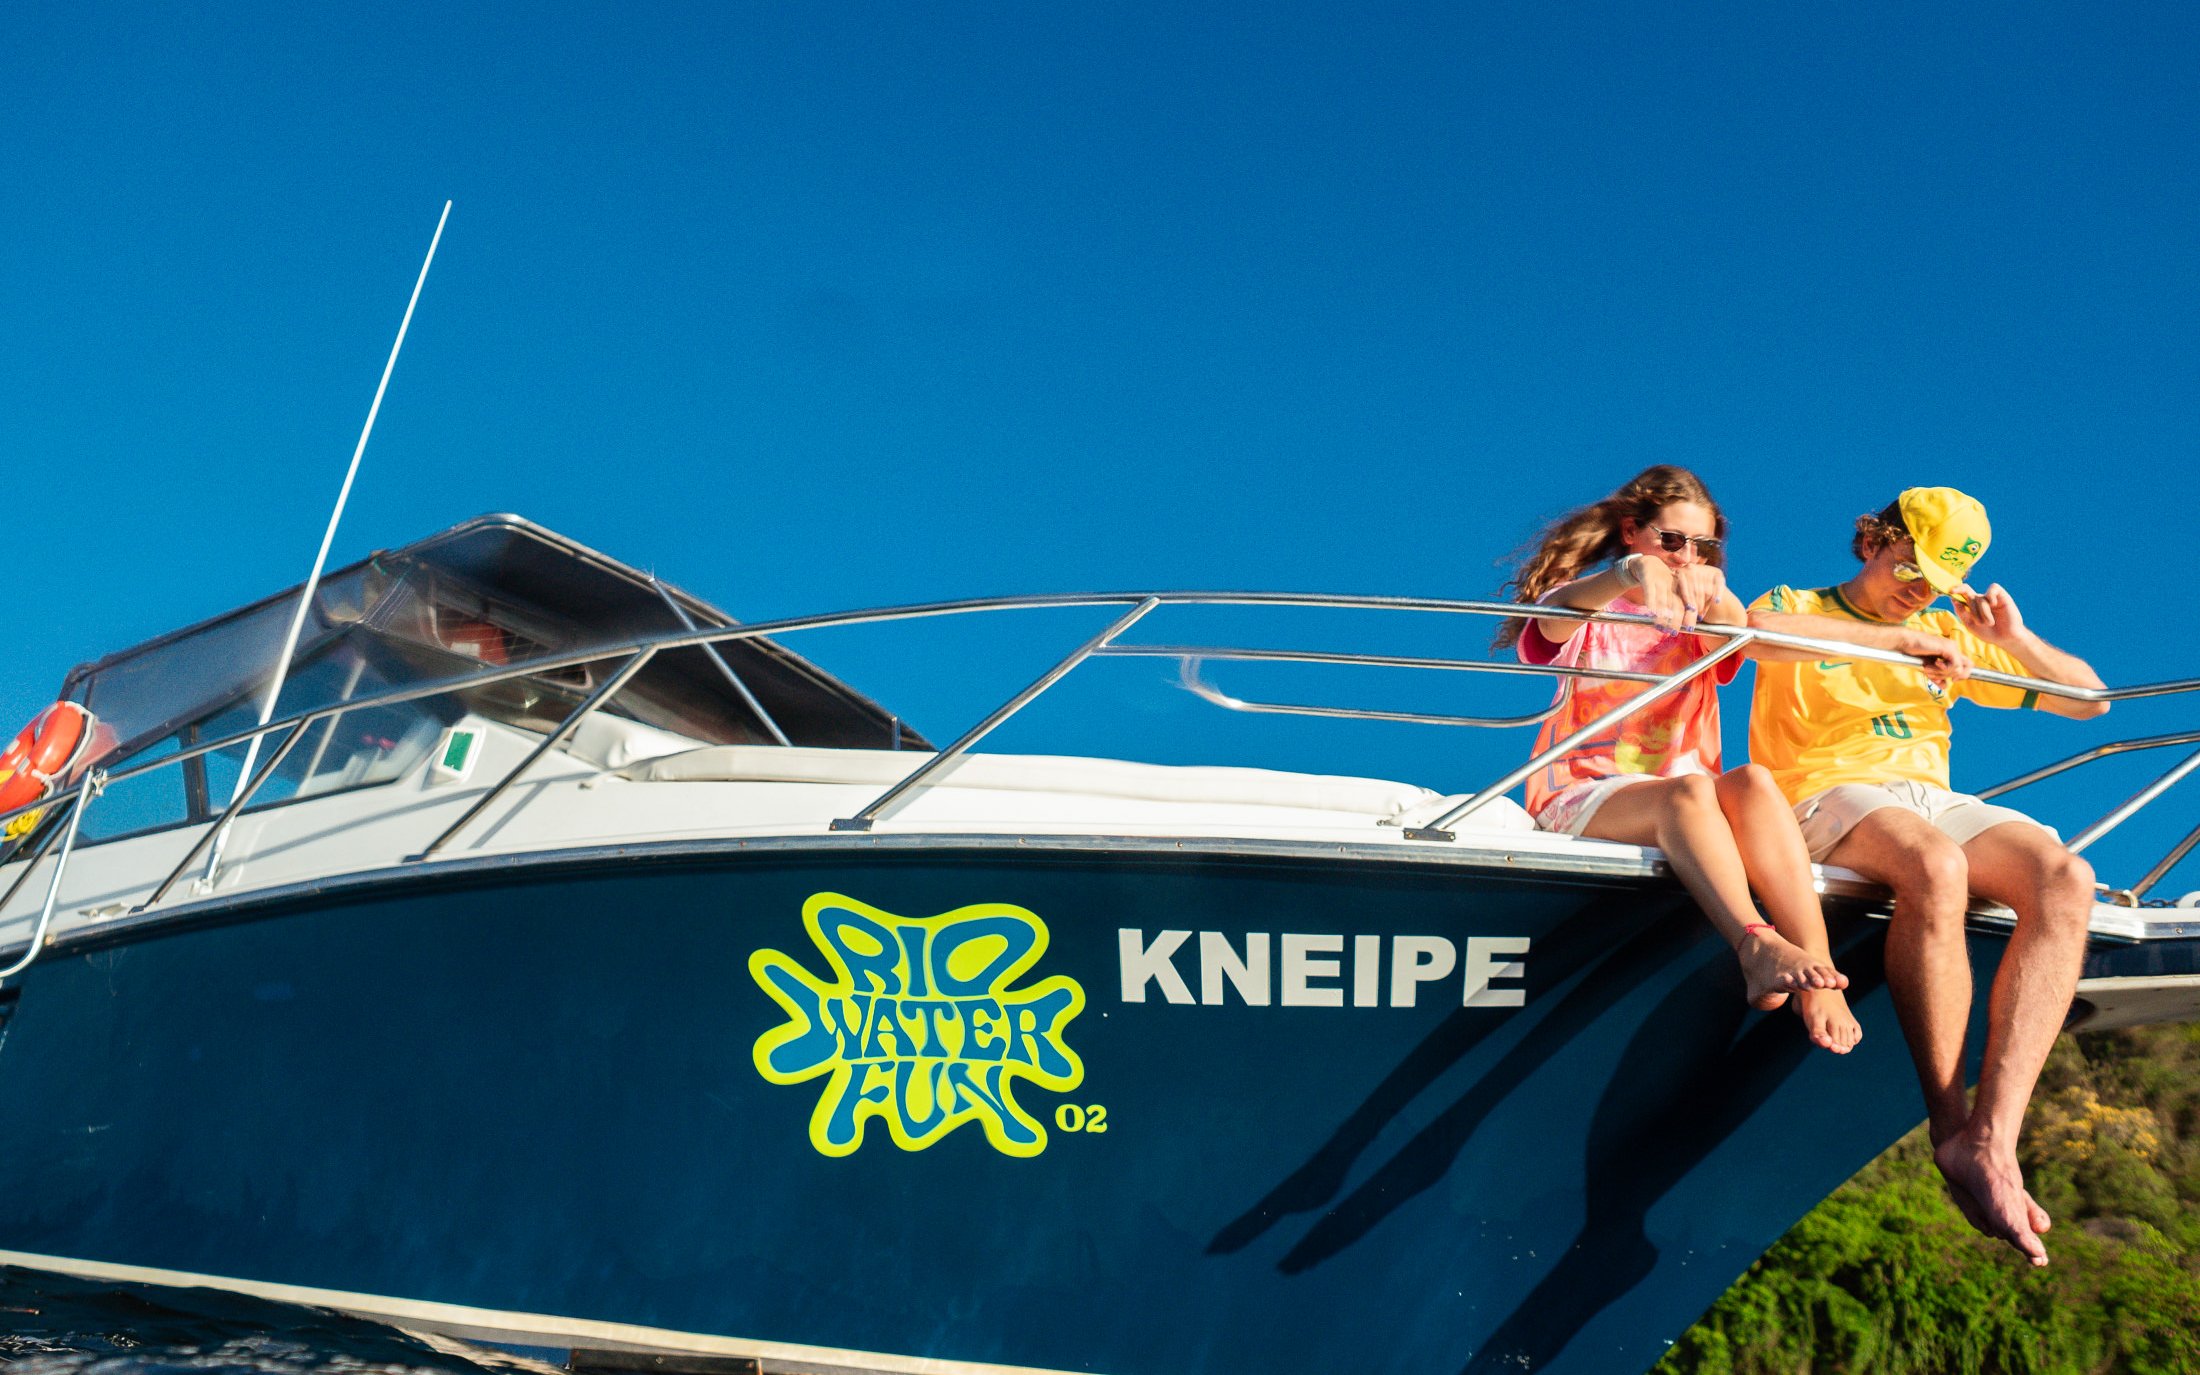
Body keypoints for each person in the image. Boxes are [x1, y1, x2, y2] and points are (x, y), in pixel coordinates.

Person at [1746, 487, 2107, 1267]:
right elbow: (1756, 633)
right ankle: (1950, 1129)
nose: (1919, 589)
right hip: (1822, 791)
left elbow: (2091, 701)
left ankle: (1994, 1136)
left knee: (2065, 877)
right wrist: (1900, 643)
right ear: (1878, 537)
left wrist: (2013, 637)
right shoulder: (1799, 600)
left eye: (1937, 582)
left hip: (1930, 795)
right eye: (1911, 563)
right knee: (1936, 866)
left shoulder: (1947, 626)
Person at [1498, 465, 1860, 1053]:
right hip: (1583, 794)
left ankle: (1819, 972)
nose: (1685, 556)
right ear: (1633, 532)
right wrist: (1627, 574)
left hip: (1688, 799)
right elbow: (1553, 616)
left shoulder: (1700, 617)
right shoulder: (1593, 608)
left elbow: (1735, 632)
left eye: (1704, 545)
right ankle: (1754, 943)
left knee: (1754, 781)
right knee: (1690, 791)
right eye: (1671, 541)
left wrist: (1715, 590)